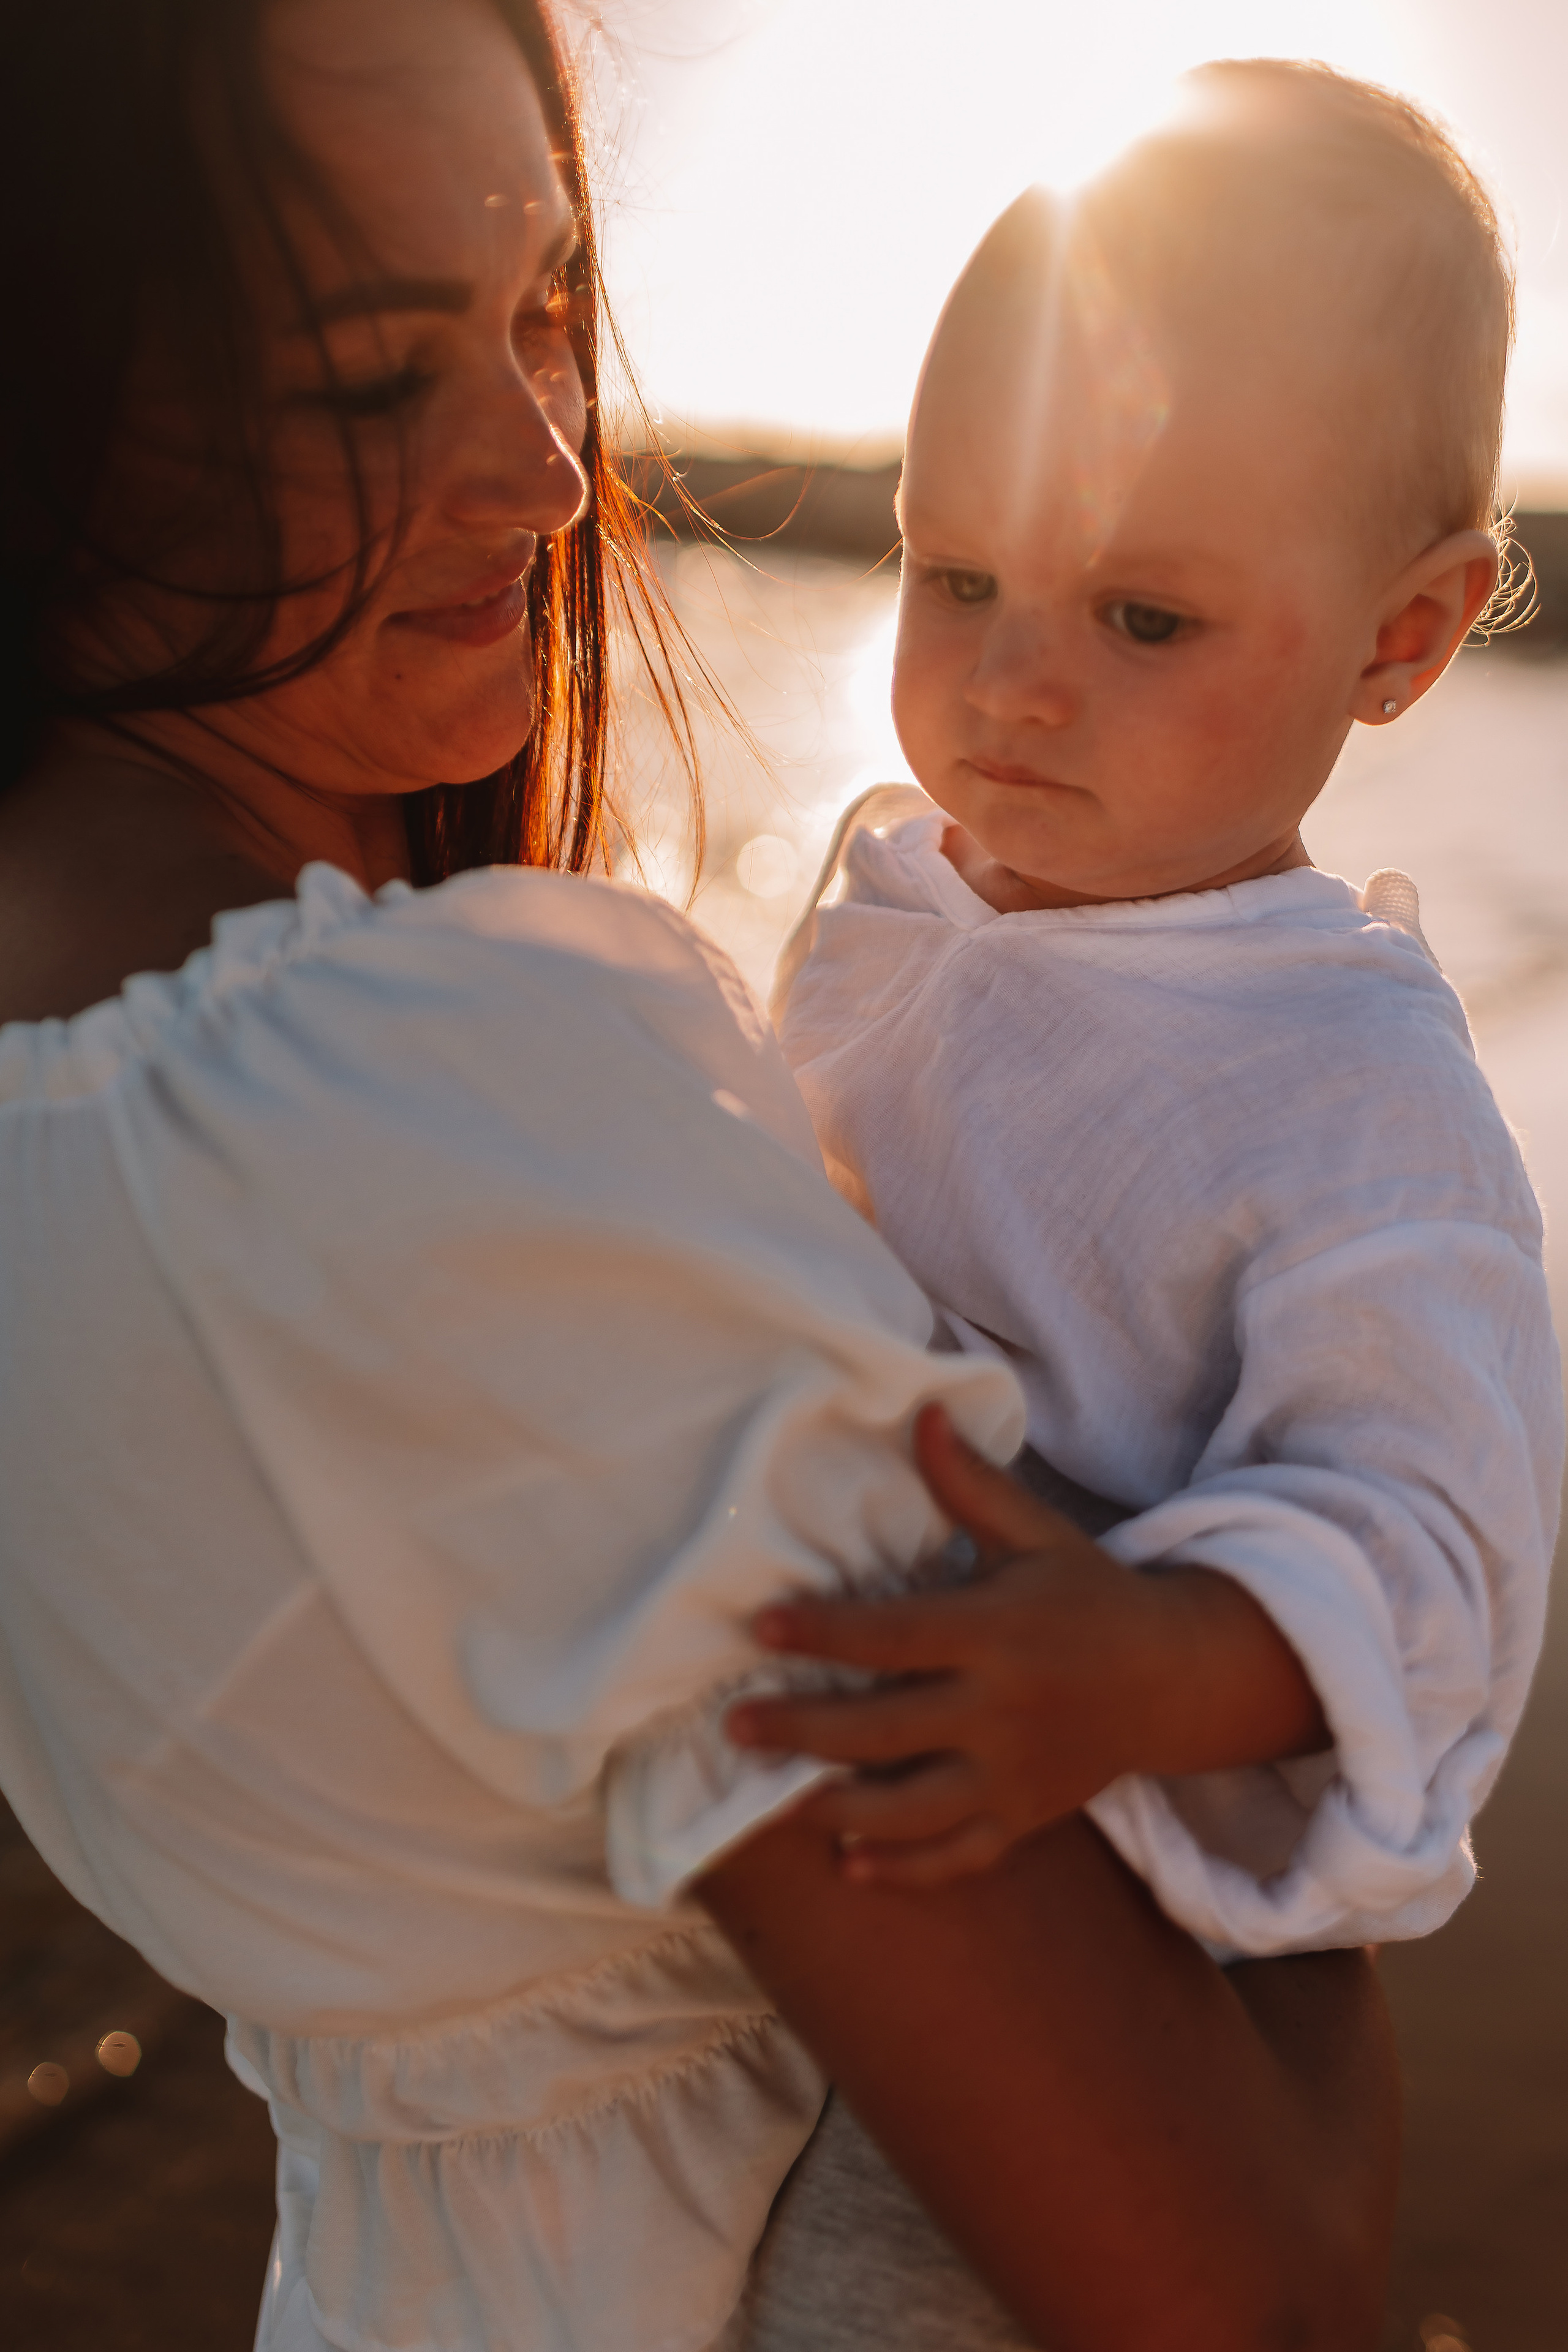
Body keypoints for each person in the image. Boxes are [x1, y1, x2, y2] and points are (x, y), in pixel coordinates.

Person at [0, 6, 1396, 2350]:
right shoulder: (403, 1097)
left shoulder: (93, 1097)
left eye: (545, 311)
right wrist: (1268, 1647)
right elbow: (1237, 2284)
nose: (549, 475)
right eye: (366, 383)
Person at [747, 64, 1562, 1966]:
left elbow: (1437, 1557)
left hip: (1057, 1859)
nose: (1011, 685)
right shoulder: (902, 886)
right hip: (791, 1742)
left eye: (1141, 620)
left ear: (1403, 638)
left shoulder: (1354, 1101)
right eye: (956, 578)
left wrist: (1150, 1667)